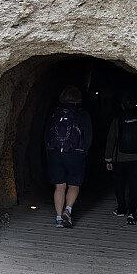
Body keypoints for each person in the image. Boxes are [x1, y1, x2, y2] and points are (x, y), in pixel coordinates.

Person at [44, 85, 92, 228]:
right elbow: (88, 136)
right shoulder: (83, 114)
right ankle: (68, 210)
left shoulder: (54, 113)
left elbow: (46, 134)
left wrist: (49, 151)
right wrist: (84, 151)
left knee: (59, 186)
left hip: (55, 153)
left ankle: (59, 218)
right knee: (73, 184)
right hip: (75, 154)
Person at [105, 94, 137, 225]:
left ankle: (121, 209)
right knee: (134, 186)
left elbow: (111, 139)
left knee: (119, 184)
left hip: (120, 158)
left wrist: (108, 159)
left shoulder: (118, 120)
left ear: (122, 106)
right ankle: (132, 213)